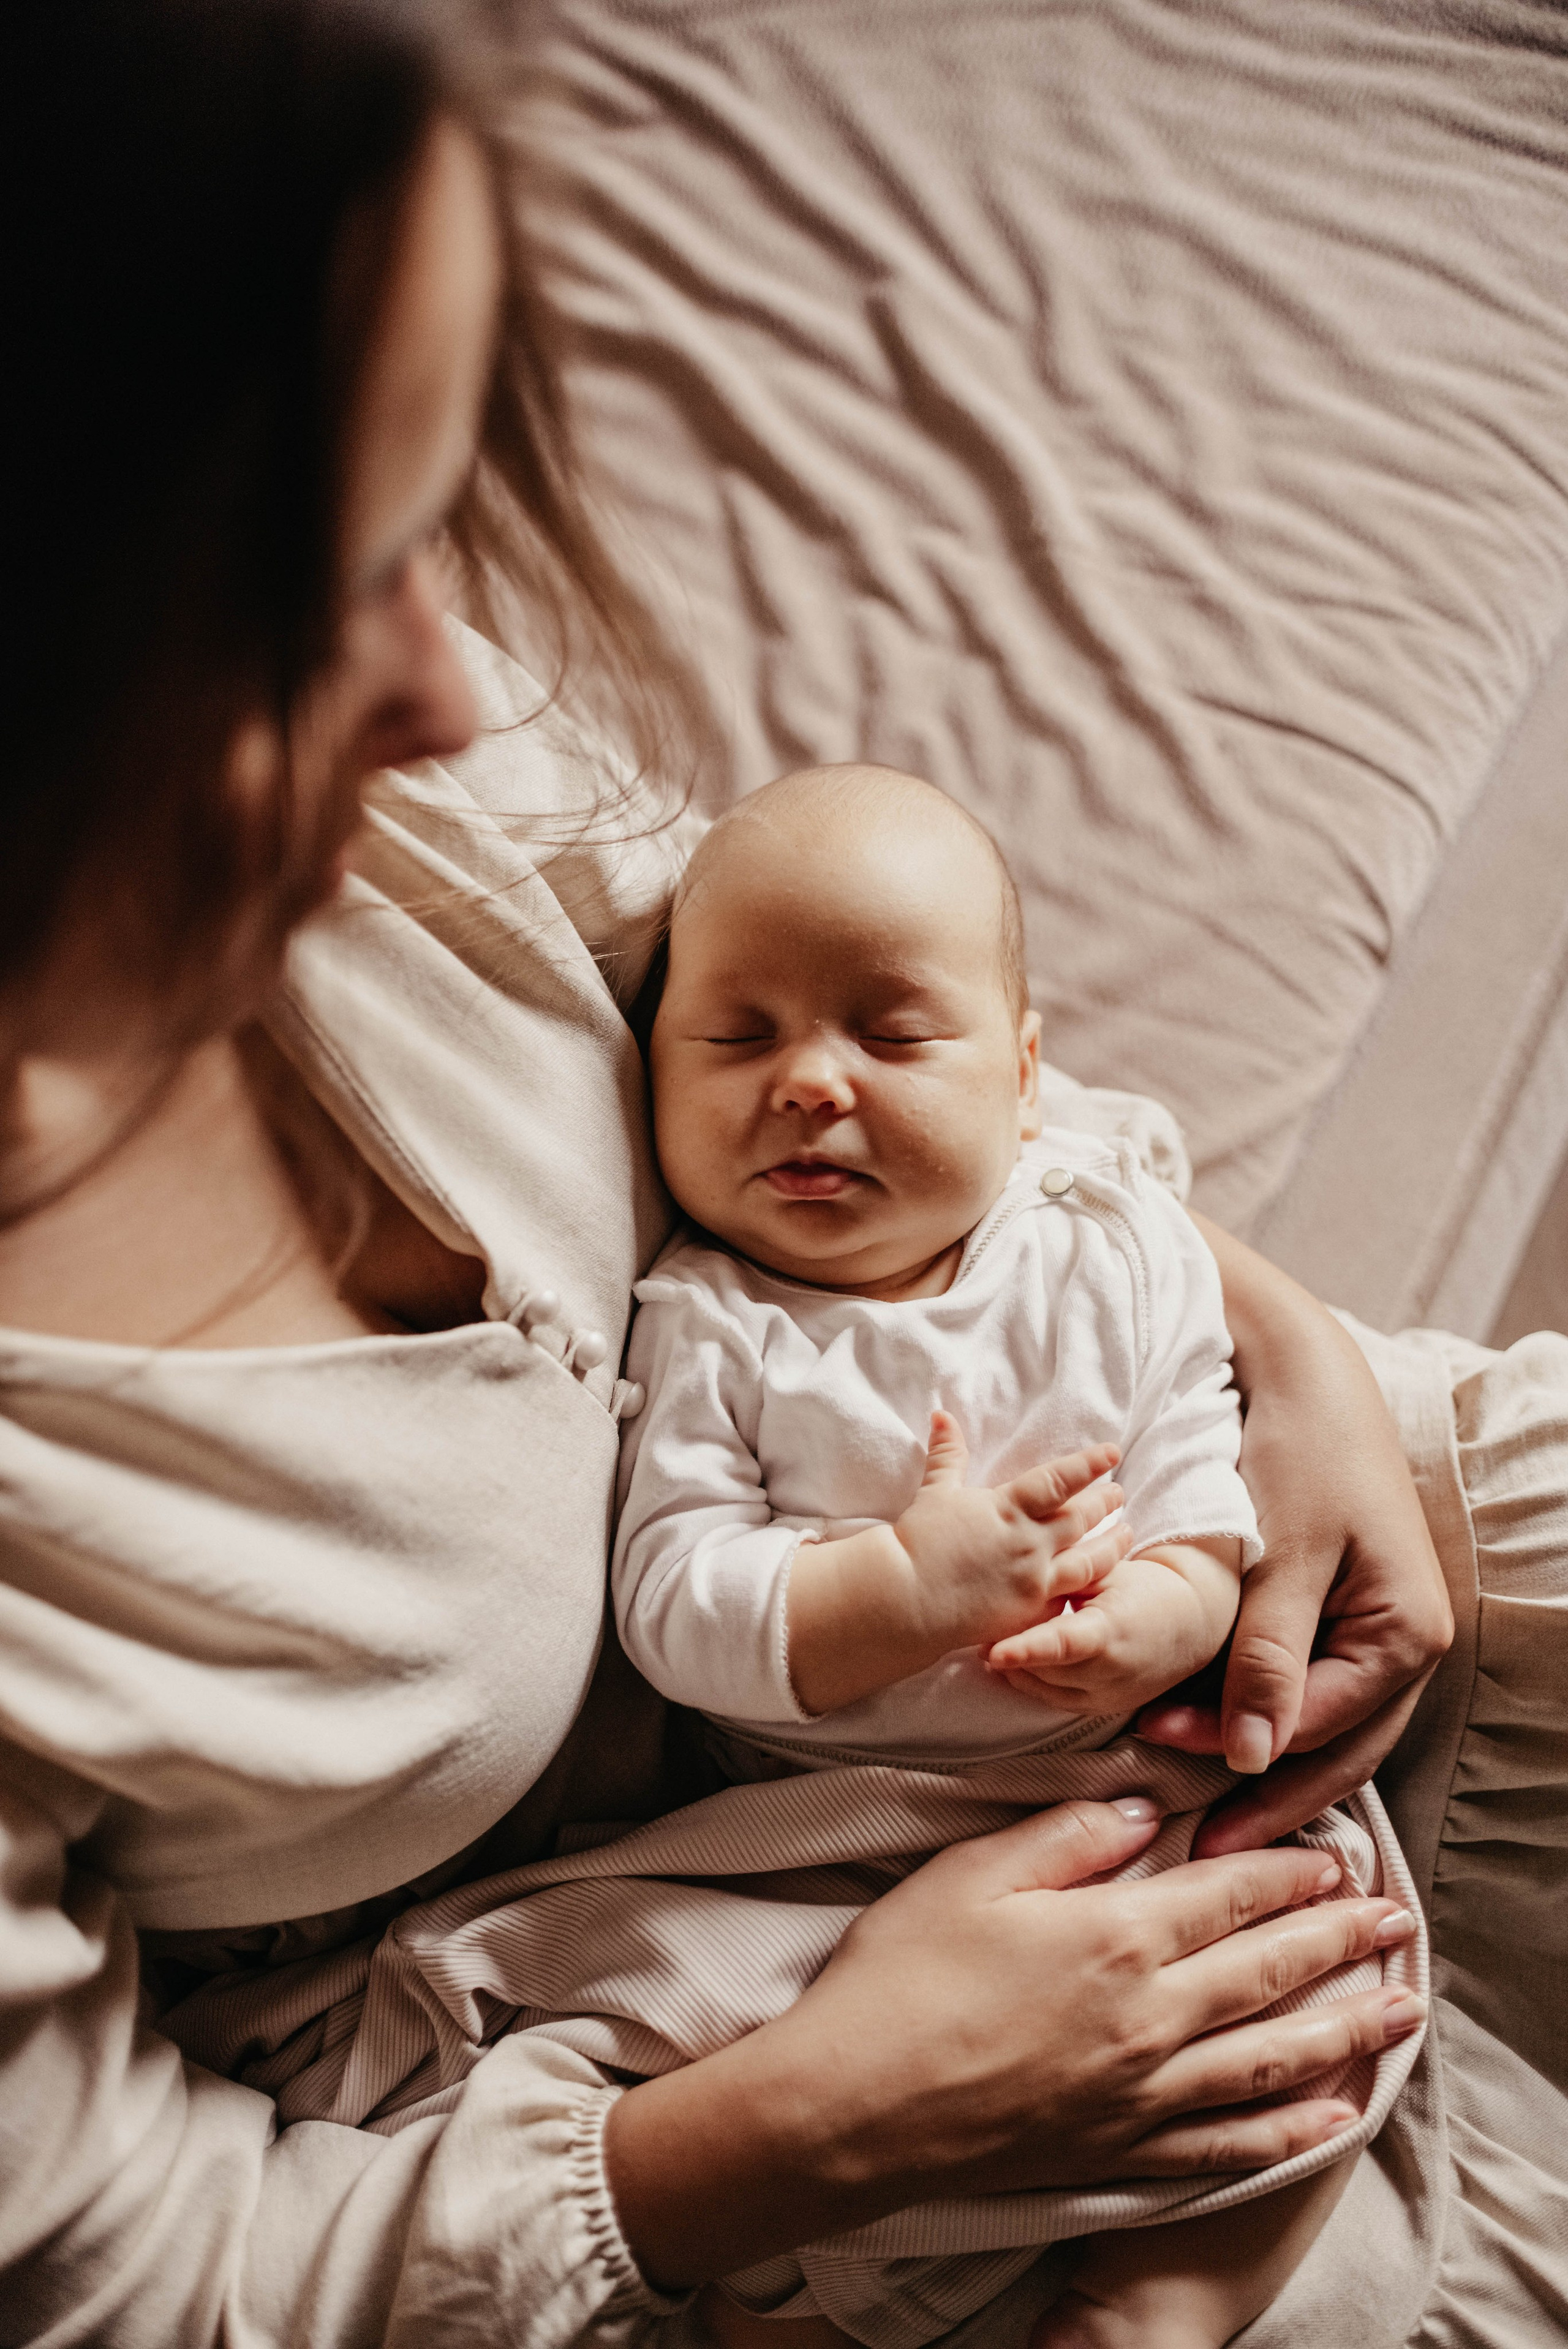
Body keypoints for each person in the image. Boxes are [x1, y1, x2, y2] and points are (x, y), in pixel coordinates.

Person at [0, 6, 1561, 2348]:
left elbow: (757, 940)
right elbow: (136, 2267)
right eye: (325, 582)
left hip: (1172, 1557)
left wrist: (1271, 1342)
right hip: (719, 1977)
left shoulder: (375, 757)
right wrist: (845, 2118)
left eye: (442, 524)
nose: (457, 695)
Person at [606, 761, 1418, 2349]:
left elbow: (1205, 1494)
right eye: (736, 1035)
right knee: (698, 2025)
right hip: (817, 1830)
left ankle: (1150, 2307)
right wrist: (895, 1598)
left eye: (891, 1033)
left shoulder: (1108, 1256)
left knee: (1329, 1983)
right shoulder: (717, 1325)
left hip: (1122, 1774)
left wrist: (1153, 1619)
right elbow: (672, 1602)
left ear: (1027, 1077)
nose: (809, 1084)